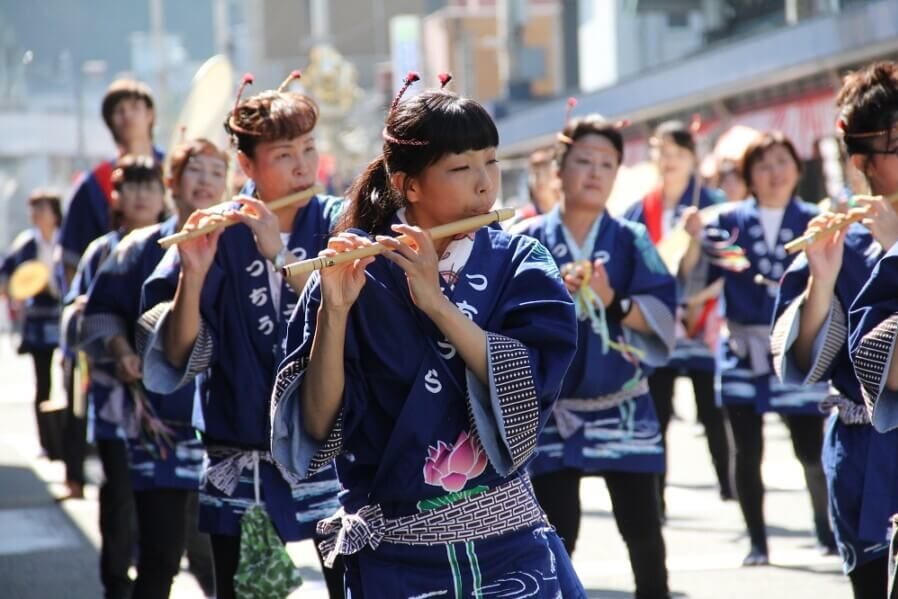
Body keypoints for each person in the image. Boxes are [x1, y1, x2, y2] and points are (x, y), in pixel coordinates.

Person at [270, 73, 584, 597]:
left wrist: (437, 305)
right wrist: (336, 311)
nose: (485, 183)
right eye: (461, 168)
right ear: (407, 185)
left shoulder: (520, 261)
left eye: (491, 162)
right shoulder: (354, 274)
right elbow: (315, 427)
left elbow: (529, 384)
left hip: (508, 545)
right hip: (395, 552)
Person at [138, 73, 345, 599]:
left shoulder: (339, 220)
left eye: (309, 148)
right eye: (283, 154)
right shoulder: (217, 229)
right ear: (247, 166)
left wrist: (280, 257)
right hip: (240, 446)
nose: (303, 164)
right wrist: (195, 274)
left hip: (331, 448)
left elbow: (358, 312)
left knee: (354, 583)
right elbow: (182, 353)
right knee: (239, 592)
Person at [515, 113, 676, 599]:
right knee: (556, 537)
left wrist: (614, 302)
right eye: (583, 161)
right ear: (558, 169)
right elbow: (503, 325)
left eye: (606, 163)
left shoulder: (631, 239)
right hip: (552, 413)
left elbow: (665, 314)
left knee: (644, 532)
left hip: (623, 405)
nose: (594, 173)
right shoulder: (529, 241)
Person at [79, 140, 227, 598]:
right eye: (194, 171)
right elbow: (98, 311)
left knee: (217, 559)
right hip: (155, 424)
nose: (205, 181)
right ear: (173, 183)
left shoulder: (241, 244)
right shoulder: (138, 246)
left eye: (216, 172)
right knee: (160, 554)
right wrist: (121, 348)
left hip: (222, 429)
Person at [682, 131, 835, 565]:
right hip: (742, 348)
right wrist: (694, 239)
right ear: (749, 174)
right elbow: (692, 280)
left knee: (809, 447)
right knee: (747, 451)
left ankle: (825, 527)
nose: (774, 173)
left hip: (797, 346)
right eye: (763, 164)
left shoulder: (815, 221)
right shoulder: (725, 222)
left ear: (797, 169)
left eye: (782, 162)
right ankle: (757, 541)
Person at [65, 155, 168, 599]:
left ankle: (150, 575)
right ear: (116, 196)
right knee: (119, 497)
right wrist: (109, 336)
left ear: (164, 194)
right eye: (133, 186)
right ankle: (115, 585)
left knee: (162, 508)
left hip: (169, 408)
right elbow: (74, 320)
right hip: (112, 401)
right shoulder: (102, 251)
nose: (143, 195)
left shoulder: (177, 245)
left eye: (151, 185)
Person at [58, 78, 161, 502]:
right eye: (117, 110)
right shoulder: (94, 184)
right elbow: (69, 259)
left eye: (135, 105)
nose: (127, 115)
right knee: (118, 476)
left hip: (161, 333)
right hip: (107, 332)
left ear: (151, 113)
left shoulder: (175, 169)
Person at [624, 120, 732, 508]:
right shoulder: (641, 208)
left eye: (677, 153)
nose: (668, 161)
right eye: (661, 152)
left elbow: (731, 263)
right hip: (659, 322)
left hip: (702, 321)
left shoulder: (713, 202)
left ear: (692, 157)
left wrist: (698, 295)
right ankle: (658, 497)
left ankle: (729, 485)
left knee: (712, 410)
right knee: (658, 413)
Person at [827, 61, 898, 597]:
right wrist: (818, 280)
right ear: (862, 161)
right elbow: (807, 356)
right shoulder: (842, 245)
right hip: (864, 452)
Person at [1, 190, 64, 459]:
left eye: (42, 209)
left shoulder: (66, 241)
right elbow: (6, 276)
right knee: (43, 382)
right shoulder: (26, 244)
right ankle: (47, 442)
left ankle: (69, 443)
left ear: (55, 214)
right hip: (38, 320)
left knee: (71, 381)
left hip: (65, 319)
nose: (37, 215)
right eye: (34, 210)